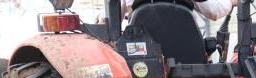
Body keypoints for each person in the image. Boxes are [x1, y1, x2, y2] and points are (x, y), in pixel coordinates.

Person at [100, 0, 237, 23]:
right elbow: (214, 11)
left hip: (140, 55)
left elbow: (111, 20)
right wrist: (232, 2)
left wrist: (100, 18)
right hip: (186, 54)